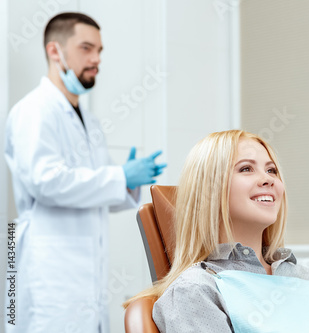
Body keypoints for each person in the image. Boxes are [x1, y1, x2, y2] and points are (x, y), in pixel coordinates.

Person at [4, 12, 166, 333]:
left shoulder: (89, 122)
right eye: (86, 49)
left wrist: (127, 185)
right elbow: (46, 182)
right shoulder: (33, 111)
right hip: (50, 271)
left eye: (100, 51)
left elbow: (94, 192)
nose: (96, 60)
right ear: (55, 51)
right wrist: (120, 176)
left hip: (87, 274)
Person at [124, 130, 309, 332]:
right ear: (209, 192)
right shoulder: (196, 291)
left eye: (272, 170)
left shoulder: (307, 279)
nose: (267, 179)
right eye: (246, 169)